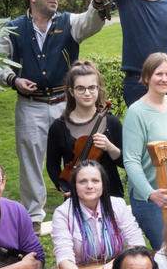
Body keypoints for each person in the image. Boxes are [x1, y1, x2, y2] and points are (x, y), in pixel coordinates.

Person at [0, 0, 111, 229]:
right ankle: (34, 216)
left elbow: (90, 22)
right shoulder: (13, 28)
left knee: (76, 154)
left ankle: (82, 204)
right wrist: (14, 80)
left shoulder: (69, 22)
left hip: (64, 104)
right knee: (30, 160)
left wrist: (97, 3)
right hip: (30, 104)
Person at [51, 160, 144, 269]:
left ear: (103, 184)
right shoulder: (63, 213)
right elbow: (63, 256)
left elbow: (138, 244)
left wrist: (119, 262)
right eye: (82, 181)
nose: (89, 186)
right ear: (74, 186)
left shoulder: (117, 205)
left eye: (95, 181)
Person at [122, 52, 167, 246]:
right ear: (146, 77)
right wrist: (151, 194)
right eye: (158, 74)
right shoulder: (136, 112)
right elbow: (131, 160)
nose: (165, 79)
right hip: (152, 199)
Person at [46, 60, 124, 200]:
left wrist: (110, 147)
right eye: (80, 88)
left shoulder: (112, 122)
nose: (87, 93)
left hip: (110, 195)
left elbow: (125, 162)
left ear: (98, 89)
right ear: (72, 91)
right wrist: (63, 187)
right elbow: (52, 165)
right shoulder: (59, 127)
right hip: (76, 196)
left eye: (92, 87)